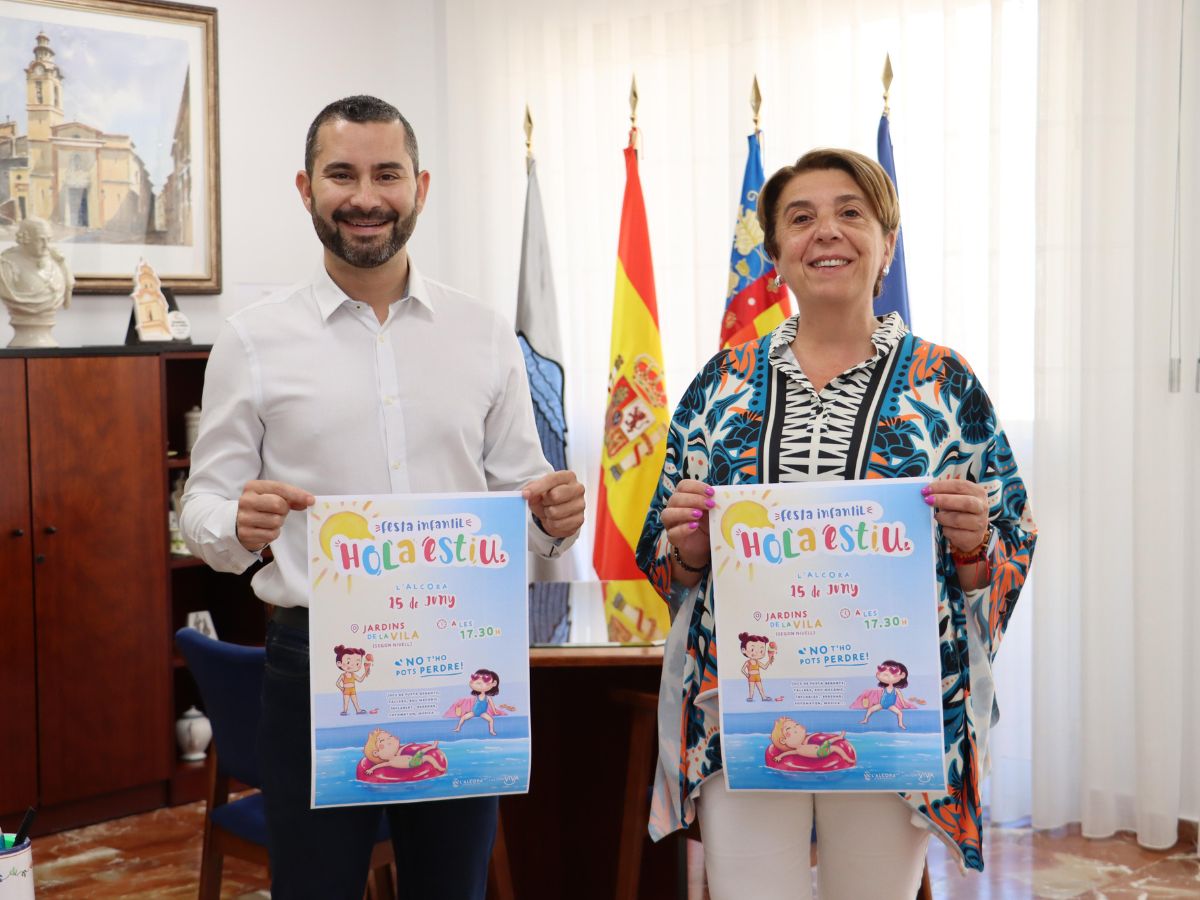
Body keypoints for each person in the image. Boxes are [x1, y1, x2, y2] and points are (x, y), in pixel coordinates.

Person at [181, 95, 585, 900]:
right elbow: (202, 507)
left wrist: (552, 520)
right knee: (318, 889)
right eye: (341, 174)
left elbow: (524, 499)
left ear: (420, 187)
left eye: (385, 173)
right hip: (318, 663)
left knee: (451, 887)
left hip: (461, 659)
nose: (365, 196)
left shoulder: (482, 334)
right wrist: (236, 521)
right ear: (306, 189)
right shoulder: (252, 339)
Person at [636, 148, 1036, 899]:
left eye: (851, 212)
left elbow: (1009, 544)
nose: (827, 231)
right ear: (778, 255)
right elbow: (664, 555)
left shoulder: (945, 383)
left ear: (886, 243)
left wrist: (976, 542)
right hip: (744, 713)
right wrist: (687, 545)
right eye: (801, 217)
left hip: (894, 713)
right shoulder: (718, 387)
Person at [0, 217, 73, 348]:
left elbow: (66, 294)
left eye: (49, 239)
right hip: (22, 341)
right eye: (41, 239)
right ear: (25, 239)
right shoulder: (6, 265)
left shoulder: (57, 264)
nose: (46, 245)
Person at [854, 659, 926, 729]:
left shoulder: (896, 690)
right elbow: (881, 697)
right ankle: (865, 719)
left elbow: (900, 698)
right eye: (882, 669)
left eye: (893, 671)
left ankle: (900, 724)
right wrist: (877, 706)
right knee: (870, 709)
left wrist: (904, 705)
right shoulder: (884, 689)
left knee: (899, 713)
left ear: (902, 675)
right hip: (882, 705)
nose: (885, 674)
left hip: (890, 706)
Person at [364, 730, 445, 776]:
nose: (391, 739)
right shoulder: (390, 762)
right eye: (384, 741)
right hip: (412, 763)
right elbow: (380, 765)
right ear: (376, 753)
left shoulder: (395, 757)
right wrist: (371, 769)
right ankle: (438, 766)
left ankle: (433, 747)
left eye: (390, 737)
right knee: (427, 757)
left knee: (423, 754)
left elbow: (400, 751)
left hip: (412, 761)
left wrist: (408, 745)